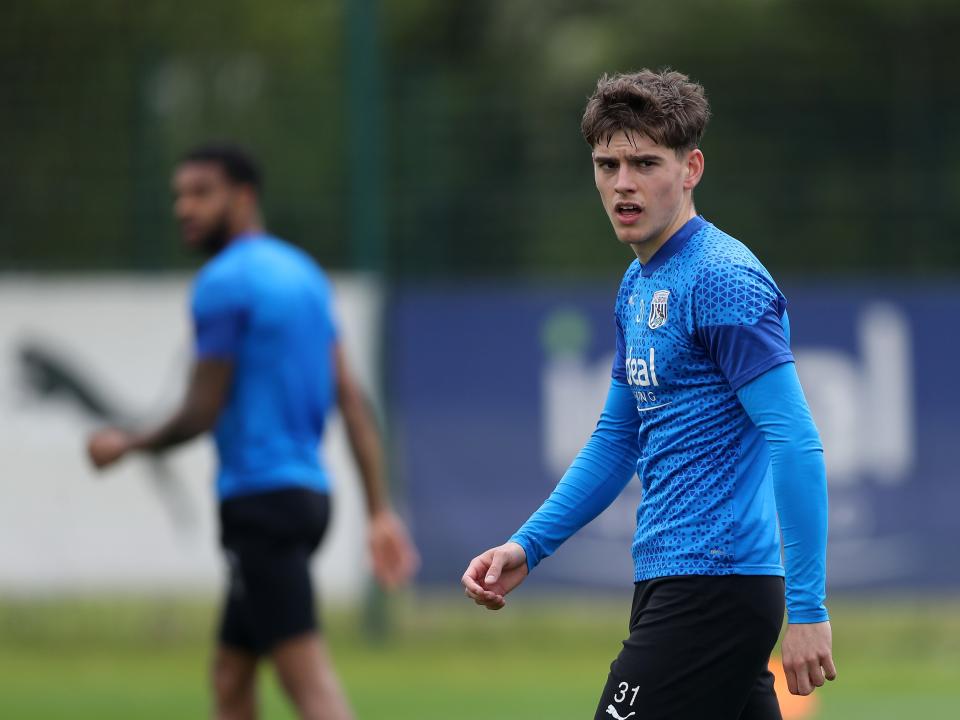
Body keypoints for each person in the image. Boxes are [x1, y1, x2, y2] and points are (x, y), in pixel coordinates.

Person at [461, 70, 836, 720]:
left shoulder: (722, 278)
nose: (622, 184)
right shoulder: (638, 284)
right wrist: (528, 545)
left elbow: (795, 440)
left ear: (691, 168)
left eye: (645, 163)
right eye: (607, 165)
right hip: (678, 581)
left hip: (712, 587)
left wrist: (808, 610)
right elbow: (617, 440)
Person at [87, 143, 419, 720]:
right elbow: (351, 400)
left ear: (243, 197)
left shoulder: (222, 283)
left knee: (310, 687)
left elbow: (200, 411)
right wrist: (378, 510)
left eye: (201, 193)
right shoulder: (304, 274)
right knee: (231, 676)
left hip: (260, 504)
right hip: (306, 499)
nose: (184, 208)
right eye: (179, 195)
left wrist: (126, 443)